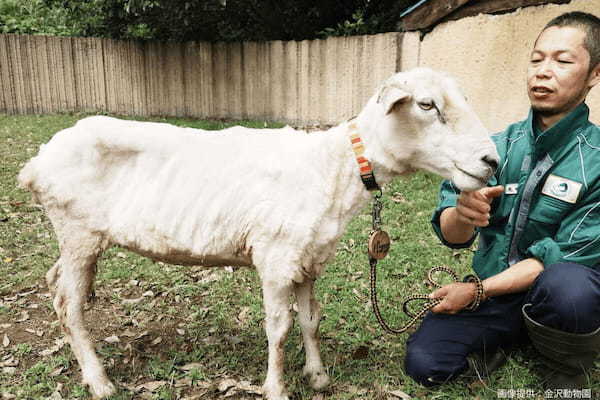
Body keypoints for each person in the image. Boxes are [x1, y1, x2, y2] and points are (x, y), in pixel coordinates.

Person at [404, 11, 600, 391]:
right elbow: (453, 235)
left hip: (553, 291)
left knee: (569, 289)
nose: (542, 71)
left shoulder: (596, 158)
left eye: (562, 61)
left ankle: (565, 362)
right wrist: (462, 212)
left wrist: (476, 291)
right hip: (495, 291)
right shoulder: (493, 147)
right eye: (536, 59)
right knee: (425, 365)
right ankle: (511, 335)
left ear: (595, 73)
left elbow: (557, 259)